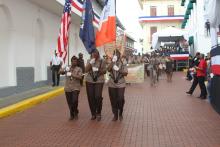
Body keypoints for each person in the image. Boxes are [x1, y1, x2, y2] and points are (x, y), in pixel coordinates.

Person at [85, 49, 106, 121]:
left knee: (98, 96)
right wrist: (91, 63)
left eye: (95, 53)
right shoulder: (89, 60)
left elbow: (104, 71)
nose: (94, 54)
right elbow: (86, 70)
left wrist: (97, 70)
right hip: (89, 80)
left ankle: (99, 112)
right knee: (91, 97)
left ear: (98, 53)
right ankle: (93, 113)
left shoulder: (102, 61)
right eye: (93, 53)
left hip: (99, 80)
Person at [59, 56, 83, 120]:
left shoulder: (79, 69)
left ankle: (75, 111)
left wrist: (72, 74)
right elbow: (60, 72)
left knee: (74, 100)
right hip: (68, 87)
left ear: (77, 62)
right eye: (73, 61)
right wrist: (62, 67)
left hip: (76, 87)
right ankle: (72, 114)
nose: (74, 62)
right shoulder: (67, 68)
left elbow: (80, 77)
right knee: (69, 102)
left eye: (75, 61)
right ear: (71, 61)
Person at [107, 49, 128, 121]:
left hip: (121, 82)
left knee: (120, 98)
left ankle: (120, 112)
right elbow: (108, 69)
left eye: (117, 54)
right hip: (112, 82)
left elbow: (125, 73)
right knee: (113, 99)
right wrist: (113, 62)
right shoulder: (112, 62)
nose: (116, 55)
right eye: (114, 54)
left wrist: (118, 69)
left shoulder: (123, 62)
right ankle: (115, 114)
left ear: (120, 55)